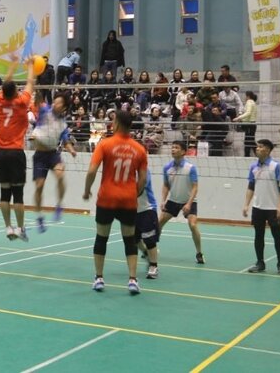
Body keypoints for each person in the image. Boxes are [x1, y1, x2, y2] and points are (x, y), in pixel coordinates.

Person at [83, 110, 147, 295]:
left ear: (116, 124)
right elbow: (142, 179)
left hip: (106, 198)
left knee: (101, 237)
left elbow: (91, 171)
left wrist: (87, 190)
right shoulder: (139, 149)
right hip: (128, 200)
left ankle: (99, 278)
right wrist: (134, 193)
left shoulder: (105, 144)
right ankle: (133, 280)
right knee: (129, 240)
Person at [0, 56, 35, 241]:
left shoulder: (0, 100)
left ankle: (8, 227)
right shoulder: (21, 102)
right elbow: (30, 82)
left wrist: (12, 64)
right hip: (16, 152)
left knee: (4, 193)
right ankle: (20, 228)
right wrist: (30, 66)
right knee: (18, 194)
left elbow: (6, 83)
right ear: (16, 91)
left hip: (1, 152)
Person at [31, 92, 77, 234]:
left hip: (53, 154)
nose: (55, 104)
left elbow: (65, 140)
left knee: (60, 175)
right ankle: (39, 216)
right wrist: (36, 87)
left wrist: (71, 150)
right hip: (39, 155)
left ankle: (59, 205)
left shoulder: (63, 123)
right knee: (39, 186)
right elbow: (39, 100)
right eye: (54, 101)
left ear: (64, 107)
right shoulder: (45, 111)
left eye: (58, 103)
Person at [243, 139, 280, 275]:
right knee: (258, 236)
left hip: (273, 208)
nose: (257, 148)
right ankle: (260, 262)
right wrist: (246, 204)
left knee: (277, 235)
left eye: (261, 147)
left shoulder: (276, 166)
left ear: (268, 150)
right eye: (257, 146)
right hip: (258, 207)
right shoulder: (253, 167)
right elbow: (251, 186)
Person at [159, 140, 204, 264]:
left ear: (183, 151)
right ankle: (152, 248)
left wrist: (189, 203)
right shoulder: (167, 167)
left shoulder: (190, 168)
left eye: (176, 148)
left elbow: (195, 186)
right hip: (173, 200)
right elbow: (166, 185)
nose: (173, 149)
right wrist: (163, 201)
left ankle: (199, 253)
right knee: (158, 223)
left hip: (189, 201)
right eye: (172, 147)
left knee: (193, 225)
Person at [136, 171, 160, 279]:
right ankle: (146, 253)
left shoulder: (144, 171)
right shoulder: (125, 171)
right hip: (132, 210)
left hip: (147, 208)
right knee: (133, 238)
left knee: (149, 239)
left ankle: (154, 266)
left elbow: (140, 189)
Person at [233, 91, 258, 157]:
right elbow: (247, 112)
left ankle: (255, 155)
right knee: (249, 141)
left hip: (250, 124)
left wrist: (238, 118)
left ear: (248, 96)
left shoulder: (249, 102)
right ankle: (247, 155)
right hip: (250, 124)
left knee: (249, 141)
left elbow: (248, 113)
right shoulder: (253, 102)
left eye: (245, 96)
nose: (245, 97)